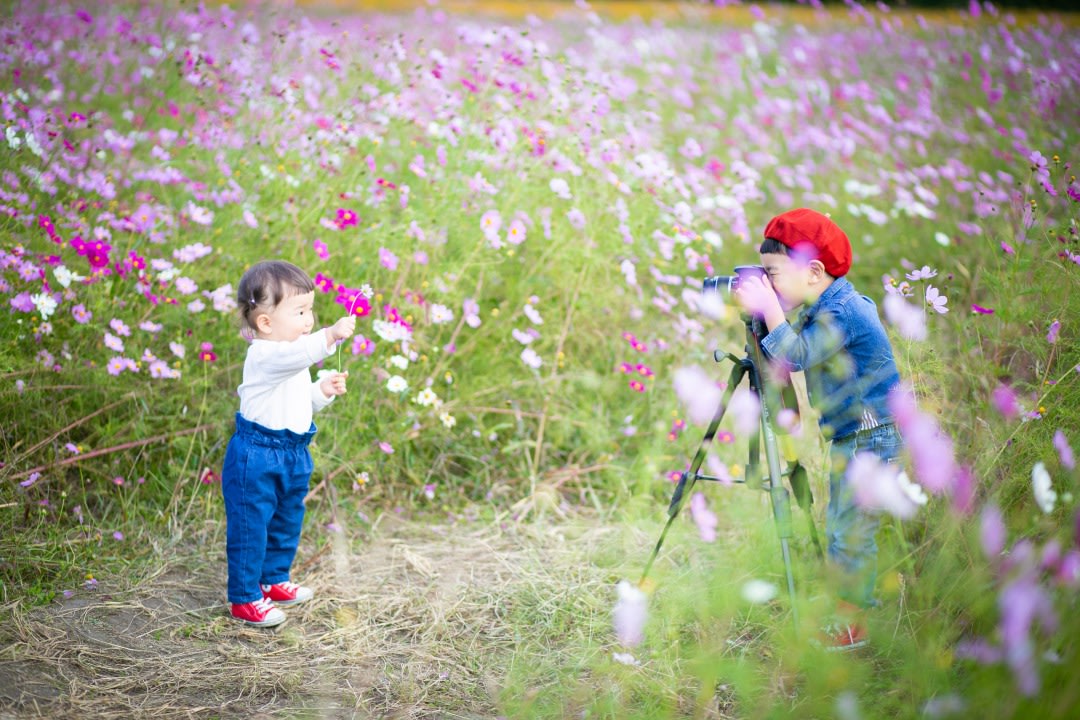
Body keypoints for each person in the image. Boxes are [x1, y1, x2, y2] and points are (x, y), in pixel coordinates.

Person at [733, 208, 903, 651]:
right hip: (854, 434)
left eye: (773, 274)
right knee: (844, 526)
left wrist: (770, 309)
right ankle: (852, 606)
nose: (769, 284)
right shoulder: (820, 304)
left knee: (850, 531)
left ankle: (853, 626)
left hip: (872, 434)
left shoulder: (843, 311)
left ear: (813, 271)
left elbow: (799, 354)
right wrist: (766, 314)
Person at [222, 260, 356, 627]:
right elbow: (299, 355)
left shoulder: (292, 353)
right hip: (257, 456)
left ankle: (273, 578)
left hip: (294, 452)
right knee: (252, 524)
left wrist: (322, 391)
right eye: (300, 311)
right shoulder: (266, 355)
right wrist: (329, 336)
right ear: (265, 322)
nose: (309, 319)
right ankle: (245, 598)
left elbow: (298, 401)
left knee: (286, 518)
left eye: (311, 310)